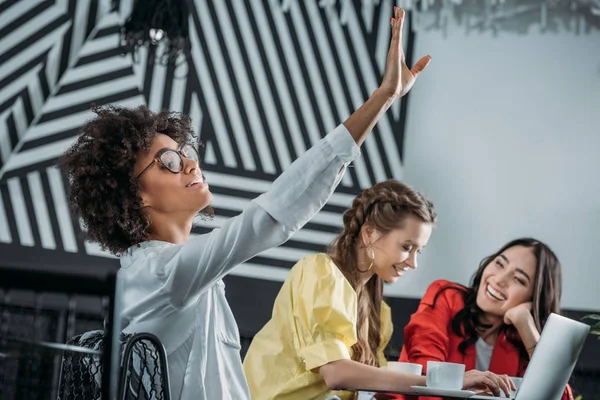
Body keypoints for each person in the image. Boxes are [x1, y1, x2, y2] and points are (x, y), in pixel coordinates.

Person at [59, 6, 434, 400]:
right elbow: (271, 215)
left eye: (185, 151)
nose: (190, 162)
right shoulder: (161, 272)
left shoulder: (172, 273)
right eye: (168, 162)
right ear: (136, 196)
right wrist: (382, 98)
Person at [243, 178, 513, 399]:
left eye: (419, 251)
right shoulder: (320, 273)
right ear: (369, 233)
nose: (413, 262)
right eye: (407, 247)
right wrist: (446, 383)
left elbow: (367, 388)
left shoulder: (376, 310)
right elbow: (336, 373)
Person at [384, 237, 572, 400]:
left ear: (534, 297)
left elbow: (558, 396)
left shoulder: (519, 338)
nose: (499, 279)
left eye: (519, 280)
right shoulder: (447, 296)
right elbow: (426, 368)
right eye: (499, 264)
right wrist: (459, 382)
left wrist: (525, 324)